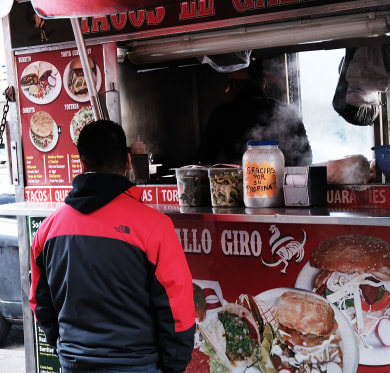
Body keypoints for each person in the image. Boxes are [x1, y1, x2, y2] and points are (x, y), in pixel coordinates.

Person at [29, 120, 196, 373]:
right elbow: (177, 309)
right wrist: (173, 366)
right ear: (128, 162)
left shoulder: (48, 229)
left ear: (82, 164)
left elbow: (40, 304)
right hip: (139, 364)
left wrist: (67, 348)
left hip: (74, 364)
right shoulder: (155, 226)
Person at [197, 58, 313, 166]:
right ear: (263, 83)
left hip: (238, 186)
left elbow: (204, 160)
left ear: (235, 85)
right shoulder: (286, 112)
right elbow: (306, 158)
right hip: (283, 186)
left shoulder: (221, 114)